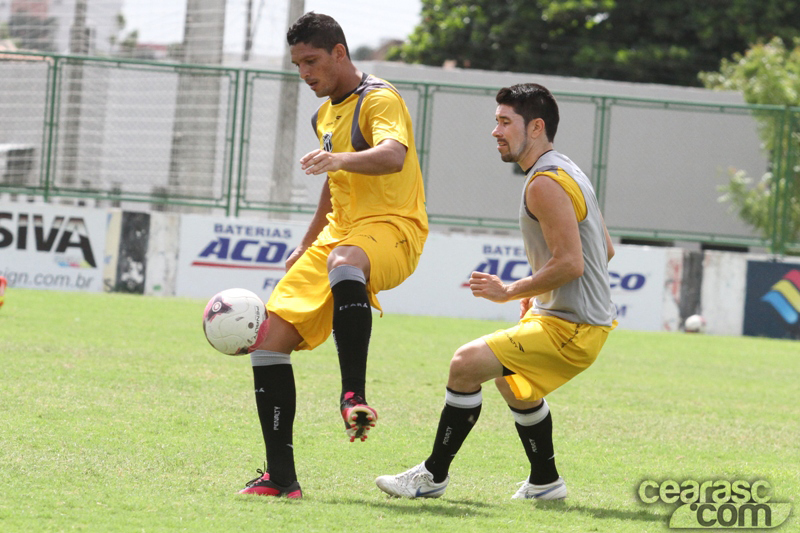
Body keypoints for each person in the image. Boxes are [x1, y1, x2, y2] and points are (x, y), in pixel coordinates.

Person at [375, 83, 616, 500]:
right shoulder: (567, 170)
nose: (495, 131)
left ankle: (432, 476)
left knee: (465, 363)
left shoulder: (545, 183)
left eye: (505, 121)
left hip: (574, 327)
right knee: (513, 382)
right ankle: (545, 482)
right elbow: (605, 250)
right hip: (568, 319)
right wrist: (541, 292)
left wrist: (510, 290)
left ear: (536, 127)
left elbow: (572, 263)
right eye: (496, 121)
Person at [237, 12, 428, 499]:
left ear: (339, 53)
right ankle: (280, 478)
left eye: (312, 61)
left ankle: (352, 396)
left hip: (394, 227)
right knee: (267, 343)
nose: (304, 73)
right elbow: (334, 181)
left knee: (345, 261)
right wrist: (306, 240)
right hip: (337, 235)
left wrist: (338, 158)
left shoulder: (379, 98)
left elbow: (392, 155)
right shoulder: (324, 114)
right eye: (298, 63)